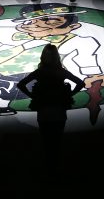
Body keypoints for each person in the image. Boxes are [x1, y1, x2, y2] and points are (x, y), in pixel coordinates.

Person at [17, 43, 85, 177]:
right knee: (57, 141)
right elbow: (80, 83)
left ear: (43, 57)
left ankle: (47, 170)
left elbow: (21, 84)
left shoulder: (40, 72)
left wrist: (33, 96)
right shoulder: (61, 72)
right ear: (57, 57)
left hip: (44, 111)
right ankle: (55, 170)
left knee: (46, 141)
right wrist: (69, 95)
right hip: (59, 111)